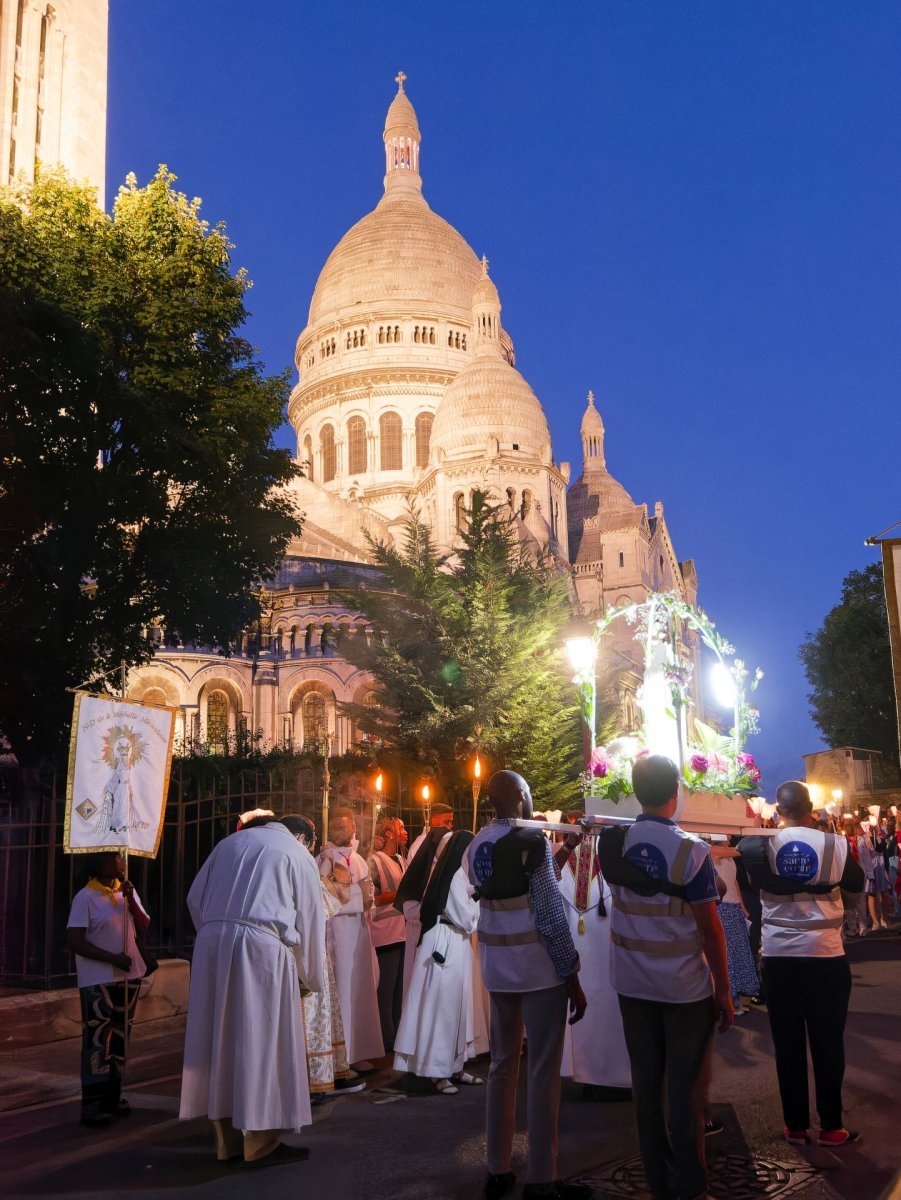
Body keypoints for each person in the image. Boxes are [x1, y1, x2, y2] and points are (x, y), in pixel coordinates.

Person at [600, 754, 731, 1200]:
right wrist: (725, 990)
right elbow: (711, 930)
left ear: (636, 791)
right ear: (676, 793)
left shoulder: (614, 845)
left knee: (647, 1089)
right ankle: (692, 1190)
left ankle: (660, 1184)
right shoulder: (691, 850)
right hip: (683, 989)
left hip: (632, 985)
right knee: (686, 1094)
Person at [466, 770, 591, 1200]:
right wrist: (571, 973)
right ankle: (542, 1175)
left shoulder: (478, 842)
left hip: (498, 967)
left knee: (502, 1066)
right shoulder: (531, 840)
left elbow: (522, 886)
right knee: (541, 1071)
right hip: (537, 968)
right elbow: (549, 914)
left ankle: (497, 1168)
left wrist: (568, 849)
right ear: (521, 795)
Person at [179, 812, 326, 1165]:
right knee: (261, 1040)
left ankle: (225, 1139)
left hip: (212, 943)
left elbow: (194, 898)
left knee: (220, 1039)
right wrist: (310, 977)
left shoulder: (227, 844)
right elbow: (310, 918)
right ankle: (261, 1142)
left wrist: (215, 933)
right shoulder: (296, 853)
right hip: (261, 947)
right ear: (303, 837)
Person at [739, 781, 865, 1147]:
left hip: (779, 959)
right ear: (810, 808)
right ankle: (831, 1127)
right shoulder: (835, 845)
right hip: (826, 956)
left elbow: (749, 883)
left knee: (788, 1043)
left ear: (778, 811)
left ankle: (795, 1126)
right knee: (828, 1044)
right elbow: (857, 884)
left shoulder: (760, 847)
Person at [394, 828, 486, 1093]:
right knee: (442, 1010)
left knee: (456, 1008)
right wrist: (478, 901)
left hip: (453, 944)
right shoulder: (454, 877)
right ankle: (437, 1071)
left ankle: (454, 1066)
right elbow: (468, 919)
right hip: (445, 944)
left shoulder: (455, 876)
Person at [280, 815, 365, 1102]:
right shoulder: (301, 860)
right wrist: (340, 887)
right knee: (312, 1015)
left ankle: (323, 1074)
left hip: (293, 948)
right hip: (305, 950)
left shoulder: (276, 858)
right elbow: (324, 905)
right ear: (303, 839)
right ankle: (314, 1079)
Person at [67, 852, 149, 1127]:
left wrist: (131, 899)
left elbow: (143, 926)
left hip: (129, 975)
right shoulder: (85, 897)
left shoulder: (125, 890)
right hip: (97, 977)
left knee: (121, 1036)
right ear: (98, 862)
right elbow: (76, 941)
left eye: (120, 856)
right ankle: (93, 1105)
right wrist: (111, 958)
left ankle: (114, 1096)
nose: (121, 860)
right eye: (114, 857)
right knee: (98, 1038)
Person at [555, 828, 631, 1099]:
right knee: (613, 1007)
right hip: (611, 945)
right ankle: (618, 1076)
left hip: (579, 943)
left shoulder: (569, 856)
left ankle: (589, 1074)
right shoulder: (617, 852)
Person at [317, 807, 384, 1068]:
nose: (338, 832)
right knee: (344, 989)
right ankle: (340, 1059)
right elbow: (331, 901)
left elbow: (368, 898)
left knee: (359, 991)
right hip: (339, 935)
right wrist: (362, 896)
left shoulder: (356, 858)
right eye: (335, 828)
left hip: (359, 932)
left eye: (343, 827)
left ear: (354, 828)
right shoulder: (327, 859)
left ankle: (355, 1053)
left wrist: (369, 899)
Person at [368, 815, 408, 1050]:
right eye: (400, 827)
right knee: (386, 986)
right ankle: (386, 1035)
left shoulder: (401, 859)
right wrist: (403, 892)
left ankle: (398, 1030)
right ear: (389, 834)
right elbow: (373, 898)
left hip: (402, 930)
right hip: (385, 932)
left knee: (399, 987)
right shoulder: (376, 860)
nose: (404, 831)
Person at [709, 842, 759, 1015]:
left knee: (737, 954)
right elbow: (741, 850)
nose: (729, 836)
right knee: (729, 955)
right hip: (723, 908)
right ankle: (730, 1001)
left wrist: (742, 906)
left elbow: (735, 882)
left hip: (733, 907)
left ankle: (734, 1000)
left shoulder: (724, 854)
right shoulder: (713, 850)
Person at [857, 819, 889, 932]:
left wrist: (878, 834)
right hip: (871, 866)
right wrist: (870, 838)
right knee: (871, 894)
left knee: (881, 894)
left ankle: (882, 917)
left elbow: (882, 848)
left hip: (881, 866)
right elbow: (871, 852)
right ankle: (875, 921)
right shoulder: (864, 839)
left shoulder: (879, 835)